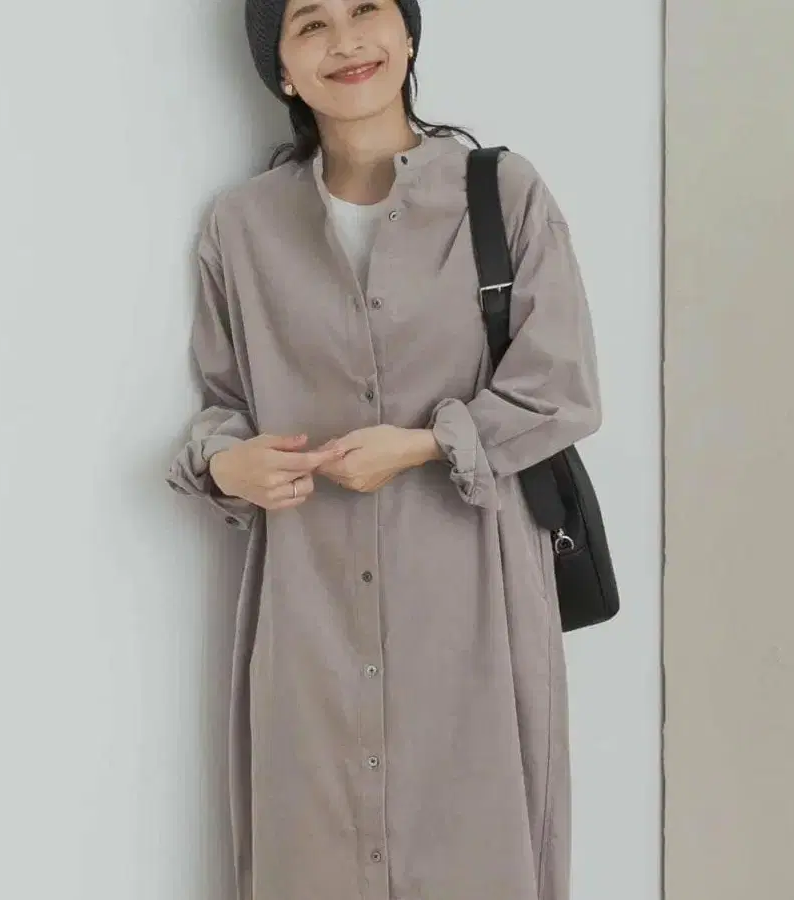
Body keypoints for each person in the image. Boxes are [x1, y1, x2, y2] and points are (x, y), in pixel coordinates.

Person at [166, 1, 602, 897]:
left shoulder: (500, 193)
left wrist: (422, 446)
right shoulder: (241, 227)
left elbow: (561, 389)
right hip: (308, 606)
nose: (347, 41)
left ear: (407, 35)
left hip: (472, 591)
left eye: (367, 9)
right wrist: (226, 463)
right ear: (281, 69)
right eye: (310, 25)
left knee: (478, 848)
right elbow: (221, 403)